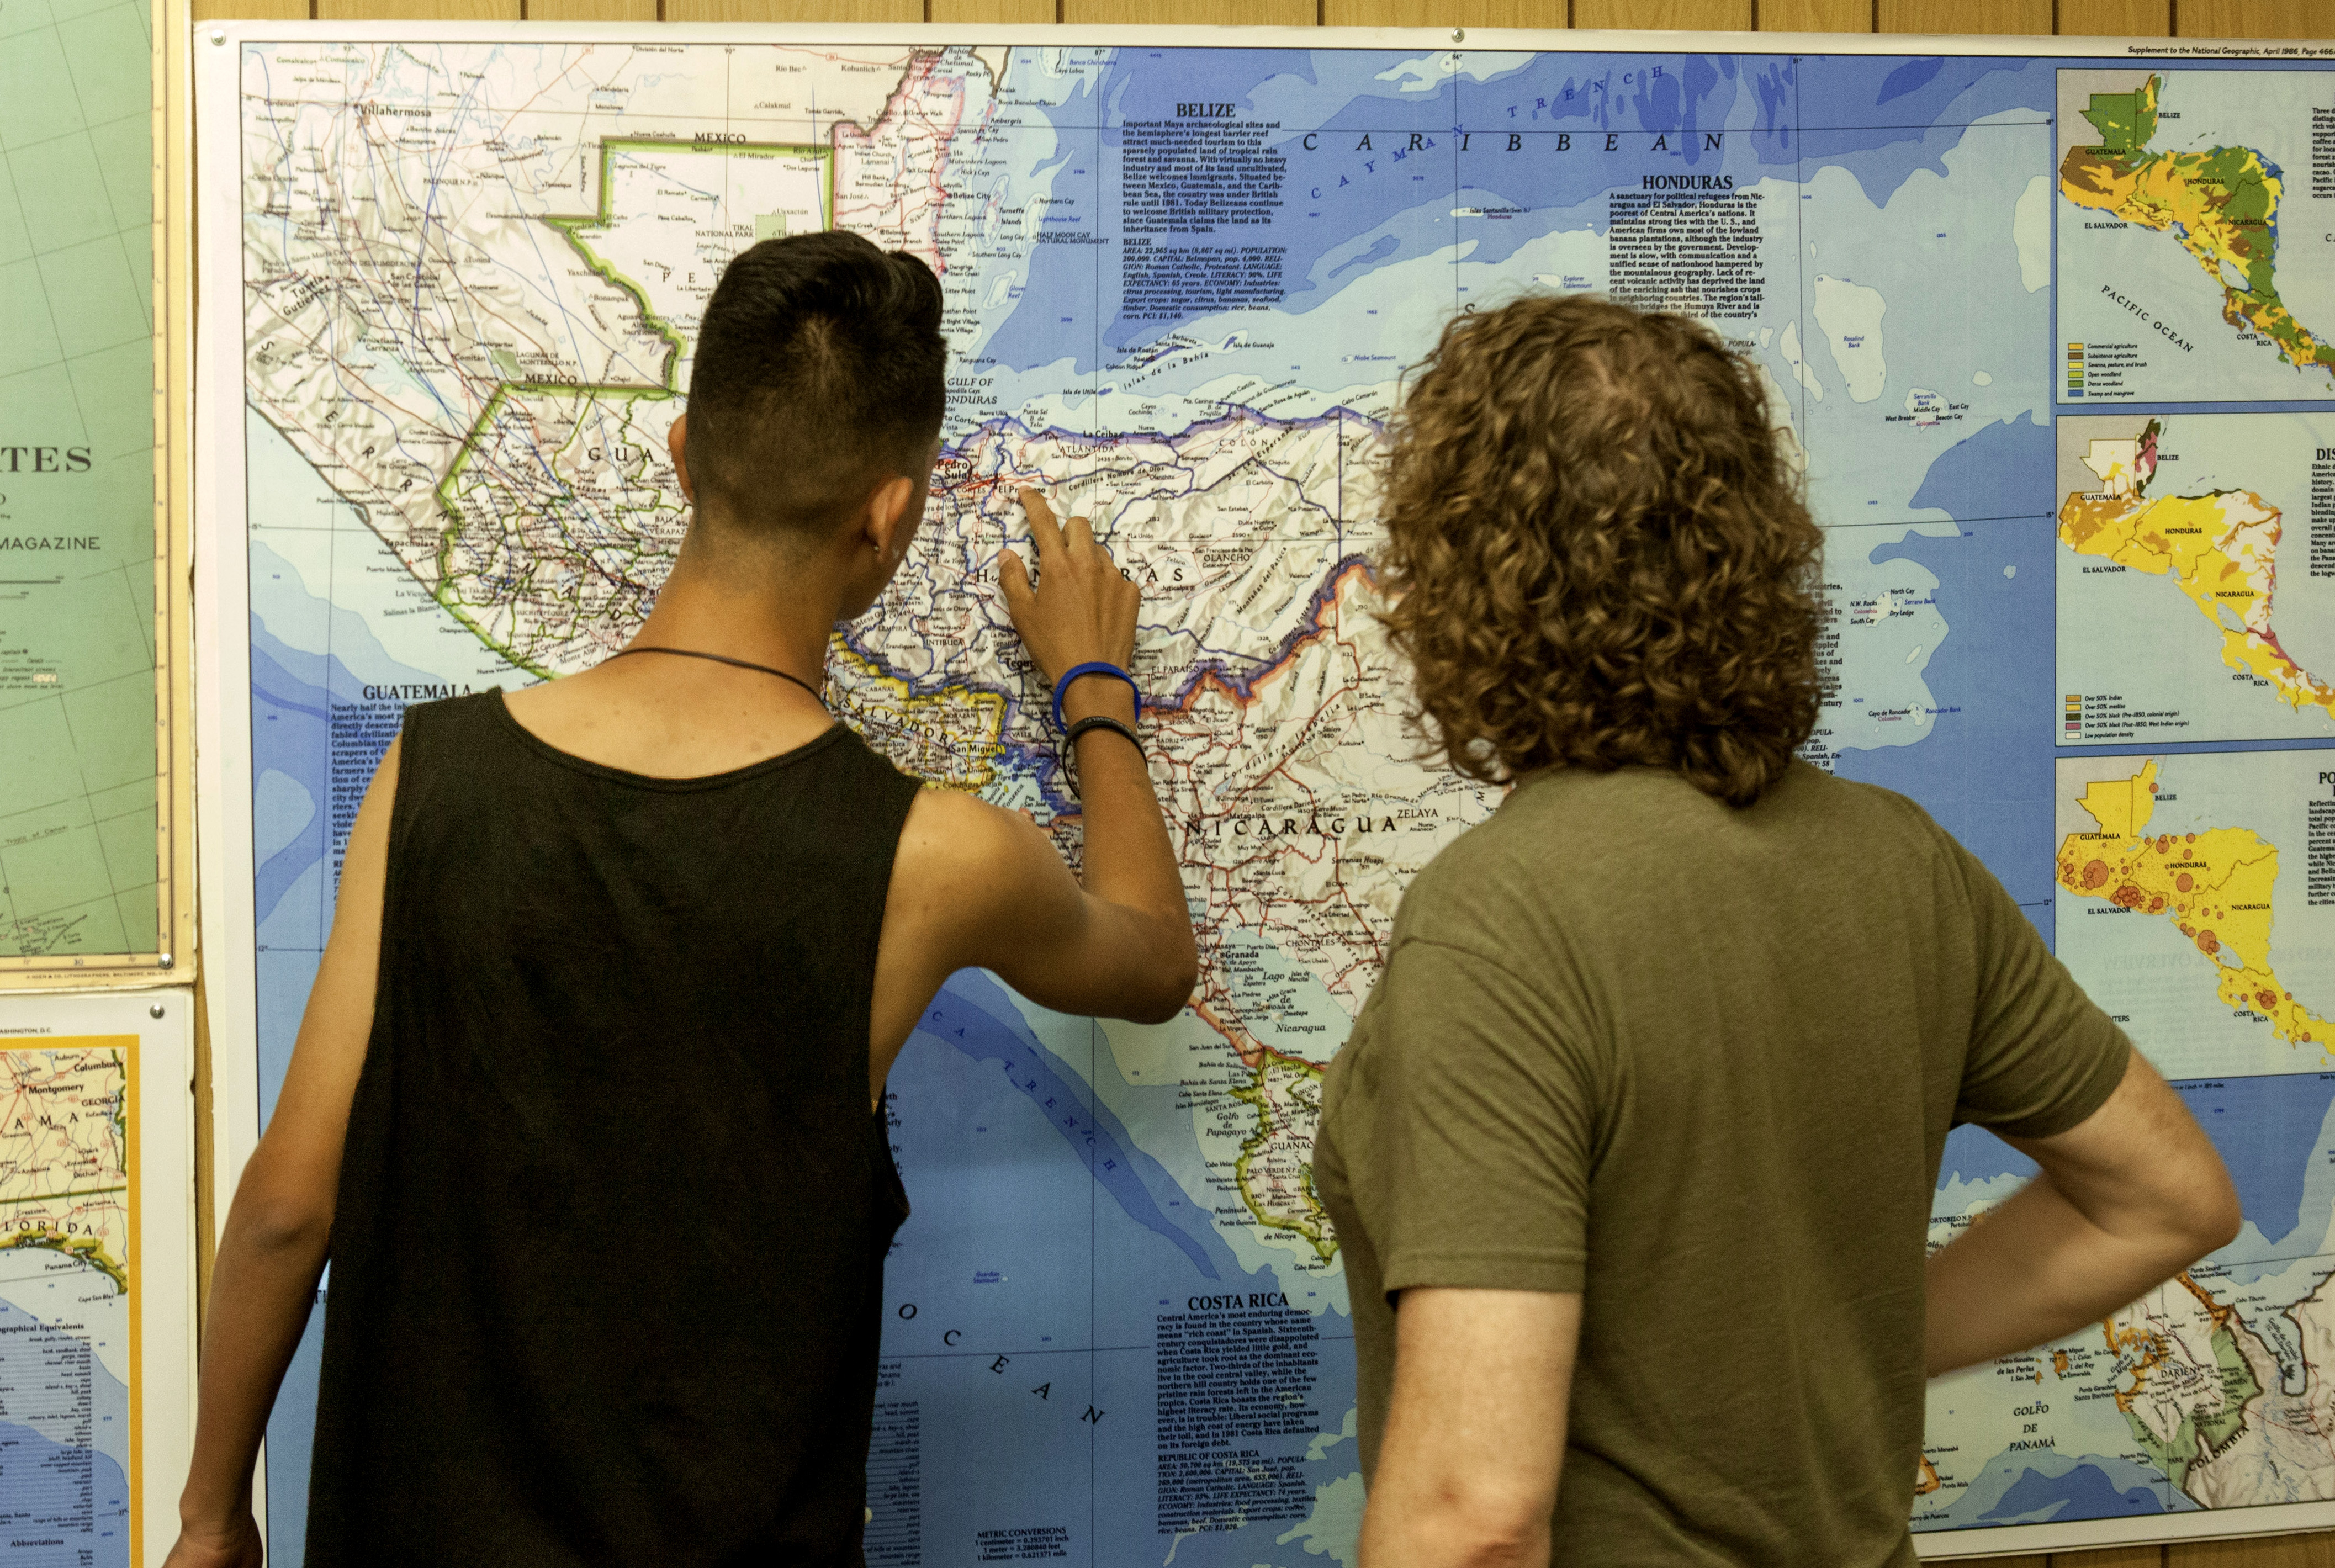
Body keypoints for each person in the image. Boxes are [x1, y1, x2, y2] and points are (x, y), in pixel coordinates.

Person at [166, 231, 1197, 1567]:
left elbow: (287, 1206)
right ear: (890, 514)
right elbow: (1157, 960)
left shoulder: (435, 774)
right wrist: (1095, 693)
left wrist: (209, 1516)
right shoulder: (934, 857)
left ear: (679, 455)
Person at [1311, 294, 2241, 1568]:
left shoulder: (1506, 919)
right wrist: (1845, 1347)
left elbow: (1474, 1516)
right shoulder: (1903, 862)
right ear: (1752, 545)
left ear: (1465, 580)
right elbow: (2168, 1196)